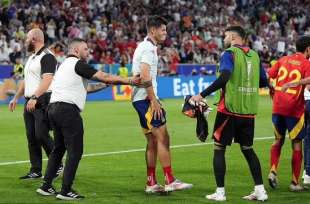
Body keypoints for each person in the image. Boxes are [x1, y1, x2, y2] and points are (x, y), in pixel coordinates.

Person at [36, 38, 140, 200]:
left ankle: (46, 185)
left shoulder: (63, 66)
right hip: (67, 111)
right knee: (75, 151)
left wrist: (106, 85)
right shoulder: (78, 64)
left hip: (54, 110)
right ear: (76, 51)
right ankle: (65, 190)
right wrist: (129, 80)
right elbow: (103, 76)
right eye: (85, 49)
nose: (88, 52)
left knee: (58, 149)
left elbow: (86, 87)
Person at [190, 26, 268, 201]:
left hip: (229, 110)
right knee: (248, 149)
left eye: (225, 35)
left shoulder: (229, 53)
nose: (224, 38)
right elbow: (263, 81)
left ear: (233, 36)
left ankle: (220, 193)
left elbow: (225, 76)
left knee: (219, 149)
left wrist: (201, 95)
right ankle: (260, 190)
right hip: (248, 111)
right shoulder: (255, 56)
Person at [131, 15, 193, 194]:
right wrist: (153, 100)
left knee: (152, 141)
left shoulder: (144, 47)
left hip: (139, 98)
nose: (165, 32)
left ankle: (151, 182)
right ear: (153, 30)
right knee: (163, 138)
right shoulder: (148, 49)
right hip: (146, 99)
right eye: (163, 29)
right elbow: (144, 75)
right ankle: (170, 180)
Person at [9, 28, 62, 179]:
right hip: (30, 99)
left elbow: (47, 79)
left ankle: (57, 164)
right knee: (31, 136)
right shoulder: (32, 57)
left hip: (42, 99)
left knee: (41, 134)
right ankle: (36, 169)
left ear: (35, 39)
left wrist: (35, 97)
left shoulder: (47, 56)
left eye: (27, 39)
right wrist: (16, 97)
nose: (25, 41)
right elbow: (27, 80)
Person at [278, 36, 310, 189]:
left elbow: (272, 75)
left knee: (303, 140)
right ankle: (298, 180)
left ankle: (306, 174)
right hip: (300, 106)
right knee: (298, 142)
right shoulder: (305, 62)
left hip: (286, 105)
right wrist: (296, 82)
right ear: (308, 49)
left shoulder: (286, 59)